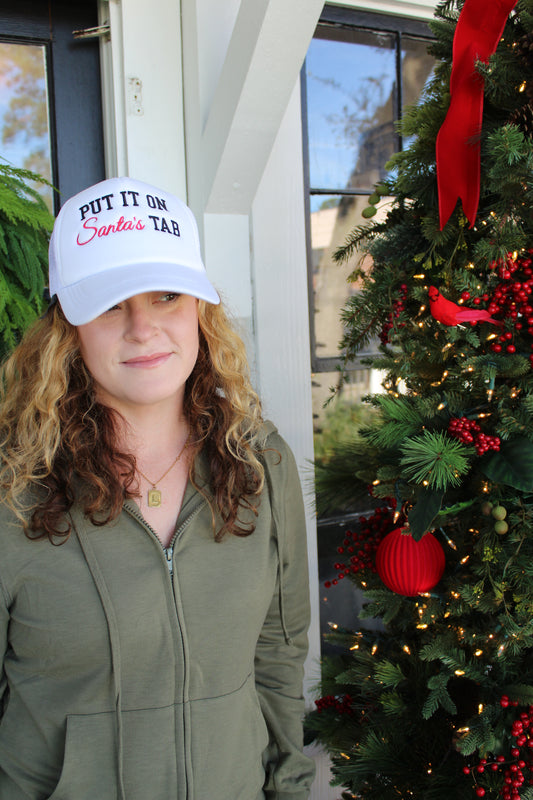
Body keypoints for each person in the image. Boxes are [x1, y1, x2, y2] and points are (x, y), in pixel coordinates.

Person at [0, 177, 315, 800]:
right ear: (68, 327)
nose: (143, 328)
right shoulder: (15, 487)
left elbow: (278, 656)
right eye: (110, 304)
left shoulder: (258, 461)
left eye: (167, 296)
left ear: (200, 309)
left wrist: (288, 789)